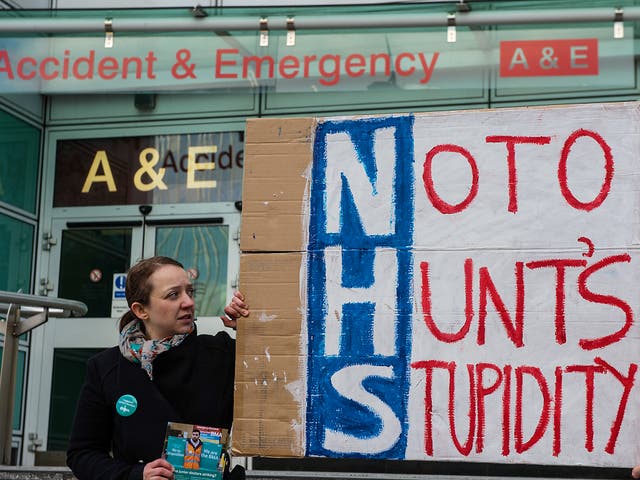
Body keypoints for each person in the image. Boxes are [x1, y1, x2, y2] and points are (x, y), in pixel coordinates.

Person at [66, 256, 249, 480]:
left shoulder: (221, 353)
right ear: (141, 310)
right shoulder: (106, 367)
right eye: (174, 295)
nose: (188, 302)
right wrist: (136, 475)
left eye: (190, 292)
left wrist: (252, 329)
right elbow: (82, 454)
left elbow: (284, 382)